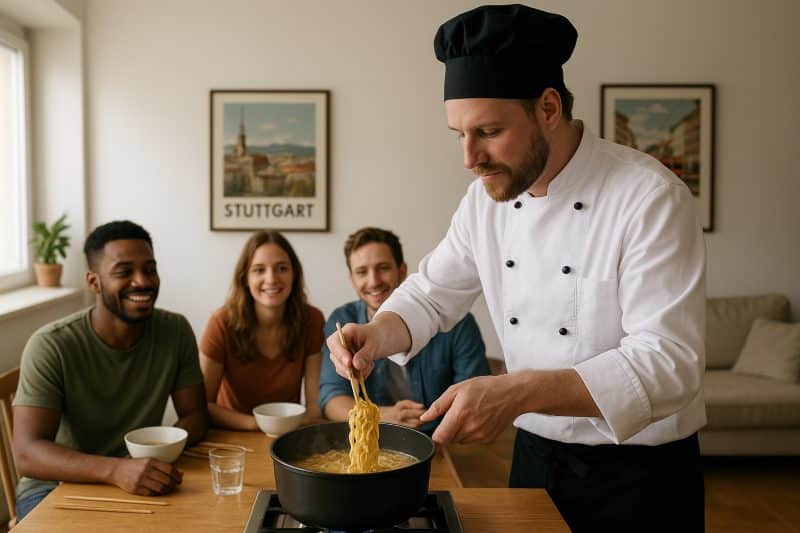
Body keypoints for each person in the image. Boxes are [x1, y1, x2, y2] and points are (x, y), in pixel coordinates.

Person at [326, 5, 706, 531]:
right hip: (534, 458)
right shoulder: (484, 199)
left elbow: (670, 364)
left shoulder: (648, 197)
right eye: (458, 134)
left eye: (487, 131)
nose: (469, 157)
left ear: (548, 108)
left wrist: (516, 391)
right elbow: (434, 293)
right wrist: (376, 332)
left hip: (639, 476)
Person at [13, 221, 209, 519]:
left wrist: (157, 453)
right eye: (124, 272)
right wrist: (116, 469)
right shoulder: (51, 345)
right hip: (54, 487)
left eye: (150, 269)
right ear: (93, 282)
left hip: (139, 480)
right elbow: (27, 453)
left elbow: (195, 415)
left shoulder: (175, 330)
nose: (142, 281)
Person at [319, 227, 489, 433]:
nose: (373, 281)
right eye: (362, 272)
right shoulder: (344, 320)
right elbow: (331, 398)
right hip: (376, 434)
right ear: (352, 279)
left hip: (442, 437)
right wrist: (383, 415)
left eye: (383, 268)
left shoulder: (457, 321)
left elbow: (475, 394)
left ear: (402, 270)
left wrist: (429, 418)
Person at [199, 230, 323, 431]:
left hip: (286, 434)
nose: (272, 279)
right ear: (245, 278)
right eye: (259, 270)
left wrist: (283, 427)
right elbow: (202, 405)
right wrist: (255, 424)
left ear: (295, 274)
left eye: (282, 268)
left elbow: (314, 406)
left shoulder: (312, 320)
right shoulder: (220, 323)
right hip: (230, 435)